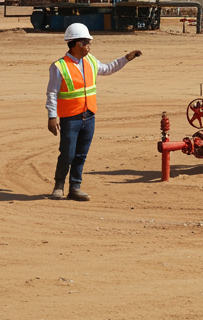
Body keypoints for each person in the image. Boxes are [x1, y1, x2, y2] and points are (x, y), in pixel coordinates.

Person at [46, 23, 143, 201]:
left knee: (81, 154)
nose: (89, 46)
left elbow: (107, 68)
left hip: (89, 116)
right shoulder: (59, 66)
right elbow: (52, 92)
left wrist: (126, 59)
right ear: (76, 44)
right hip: (71, 118)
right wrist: (52, 116)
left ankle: (75, 187)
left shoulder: (90, 60)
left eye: (89, 43)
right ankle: (59, 186)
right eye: (86, 43)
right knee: (67, 154)